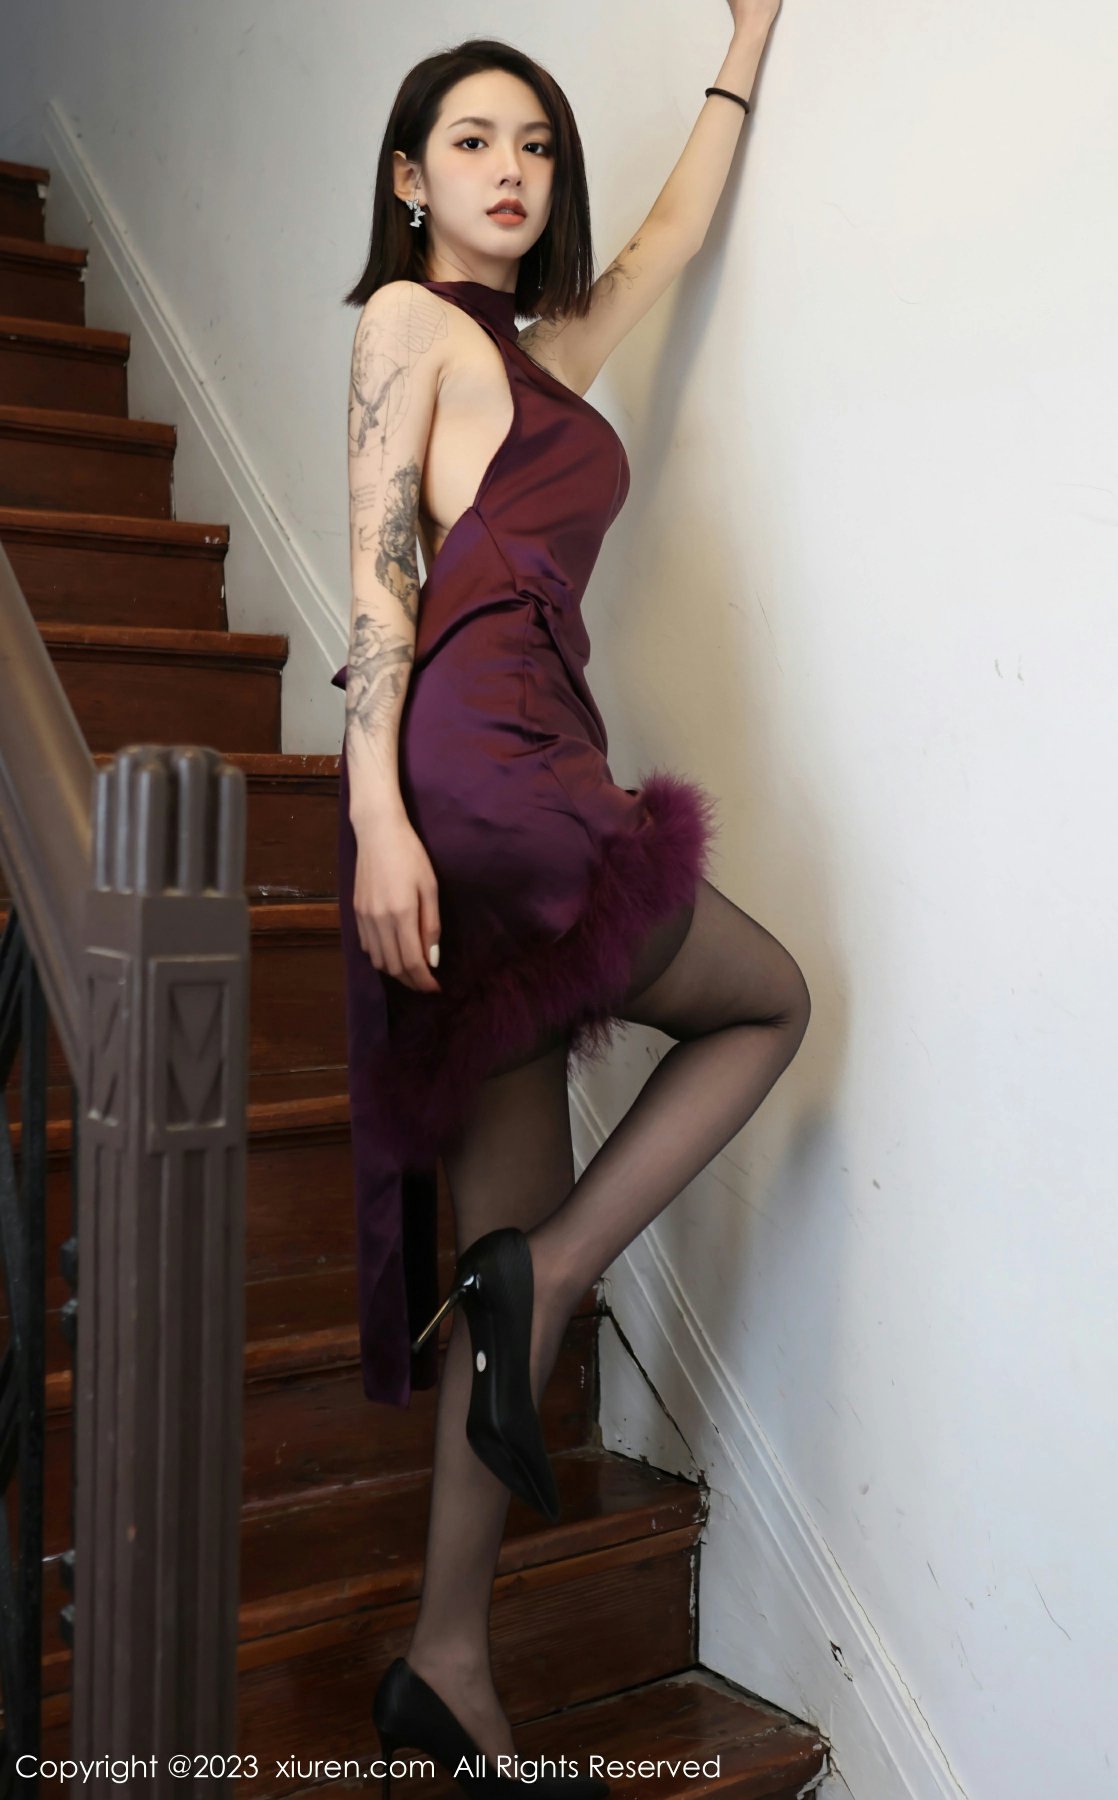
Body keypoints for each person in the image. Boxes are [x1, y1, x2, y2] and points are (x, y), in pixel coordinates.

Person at [330, 8, 809, 1793]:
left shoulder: (534, 356)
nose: (512, 167)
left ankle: (447, 1660)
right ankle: (552, 1277)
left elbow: (668, 240)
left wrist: (746, 38)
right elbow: (379, 576)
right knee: (769, 1000)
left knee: (501, 1249)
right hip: (489, 763)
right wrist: (374, 816)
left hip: (496, 770)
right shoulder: (405, 324)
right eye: (472, 140)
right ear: (409, 178)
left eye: (534, 142)